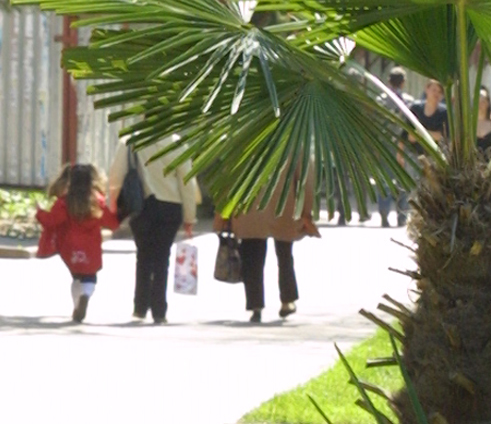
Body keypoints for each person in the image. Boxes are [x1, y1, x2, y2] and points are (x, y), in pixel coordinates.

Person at [106, 133, 198, 324]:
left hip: (142, 206)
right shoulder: (177, 142)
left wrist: (113, 205)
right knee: (162, 257)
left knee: (143, 256)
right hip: (170, 206)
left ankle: (140, 307)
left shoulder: (130, 142)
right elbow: (187, 181)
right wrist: (189, 216)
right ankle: (159, 310)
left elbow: (116, 175)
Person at [216, 170, 318, 324]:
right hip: (284, 206)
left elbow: (230, 175)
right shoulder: (291, 146)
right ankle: (287, 299)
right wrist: (306, 213)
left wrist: (222, 214)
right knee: (285, 256)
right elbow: (305, 179)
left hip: (250, 208)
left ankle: (256, 305)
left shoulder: (243, 145)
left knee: (253, 258)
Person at [35, 162, 118, 322]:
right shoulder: (97, 201)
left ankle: (76, 306)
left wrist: (39, 213)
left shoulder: (64, 202)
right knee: (90, 278)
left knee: (76, 278)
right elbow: (111, 222)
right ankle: (85, 296)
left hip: (69, 248)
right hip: (91, 247)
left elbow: (51, 221)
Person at [378, 68, 413, 227]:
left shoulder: (380, 100)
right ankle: (402, 214)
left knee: (385, 180)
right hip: (403, 146)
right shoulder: (409, 102)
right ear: (403, 82)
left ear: (388, 81)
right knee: (402, 181)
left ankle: (384, 214)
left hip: (384, 144)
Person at [413, 78, 450, 147]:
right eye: (434, 90)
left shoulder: (445, 113)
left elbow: (443, 137)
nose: (436, 94)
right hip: (412, 152)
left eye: (439, 92)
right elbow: (406, 135)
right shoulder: (415, 109)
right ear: (426, 89)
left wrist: (420, 134)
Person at [476, 88, 491, 157]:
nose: (480, 105)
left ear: (488, 103)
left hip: (490, 165)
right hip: (471, 165)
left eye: (483, 101)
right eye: (478, 101)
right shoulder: (469, 124)